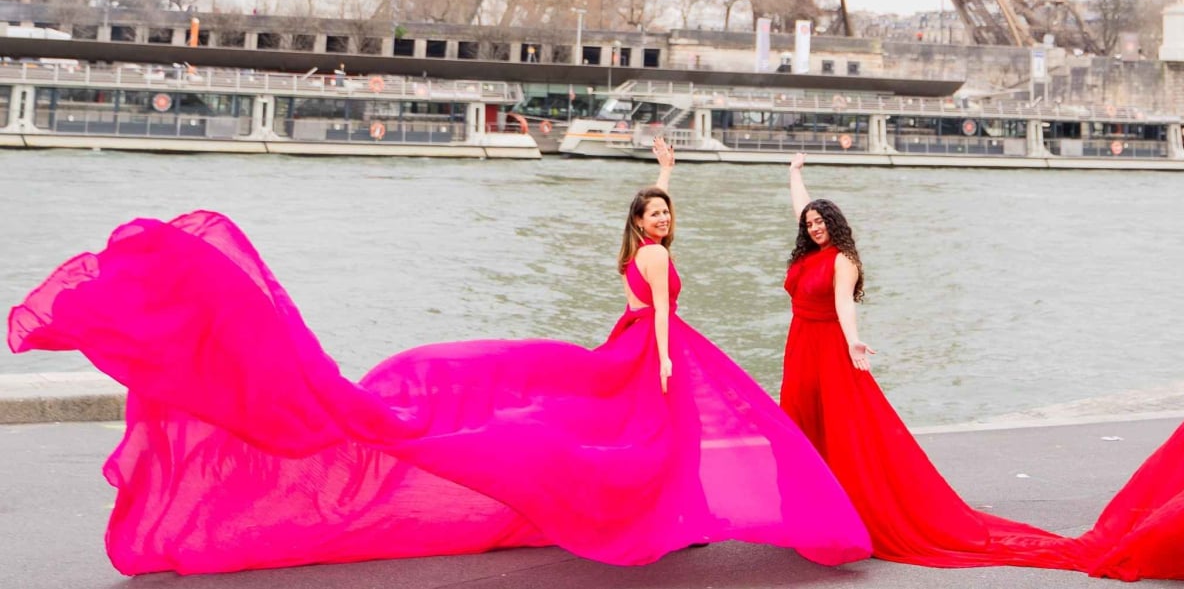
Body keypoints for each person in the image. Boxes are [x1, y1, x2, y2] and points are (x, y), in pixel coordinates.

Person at [4, 141, 870, 576]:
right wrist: (672, 364)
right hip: (650, 357)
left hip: (629, 348)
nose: (661, 224)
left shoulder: (643, 242)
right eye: (654, 215)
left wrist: (664, 170)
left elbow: (649, 255)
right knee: (645, 436)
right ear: (642, 227)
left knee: (601, 429)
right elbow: (659, 301)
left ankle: (654, 513)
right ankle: (657, 518)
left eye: (663, 215)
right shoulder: (651, 255)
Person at [778, 153, 1184, 586]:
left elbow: (843, 307)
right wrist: (796, 175)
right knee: (815, 436)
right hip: (800, 357)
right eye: (807, 220)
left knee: (850, 442)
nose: (810, 224)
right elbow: (801, 212)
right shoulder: (809, 244)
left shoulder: (839, 262)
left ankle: (839, 512)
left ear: (835, 228)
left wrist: (858, 346)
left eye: (818, 219)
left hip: (832, 355)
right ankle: (820, 507)